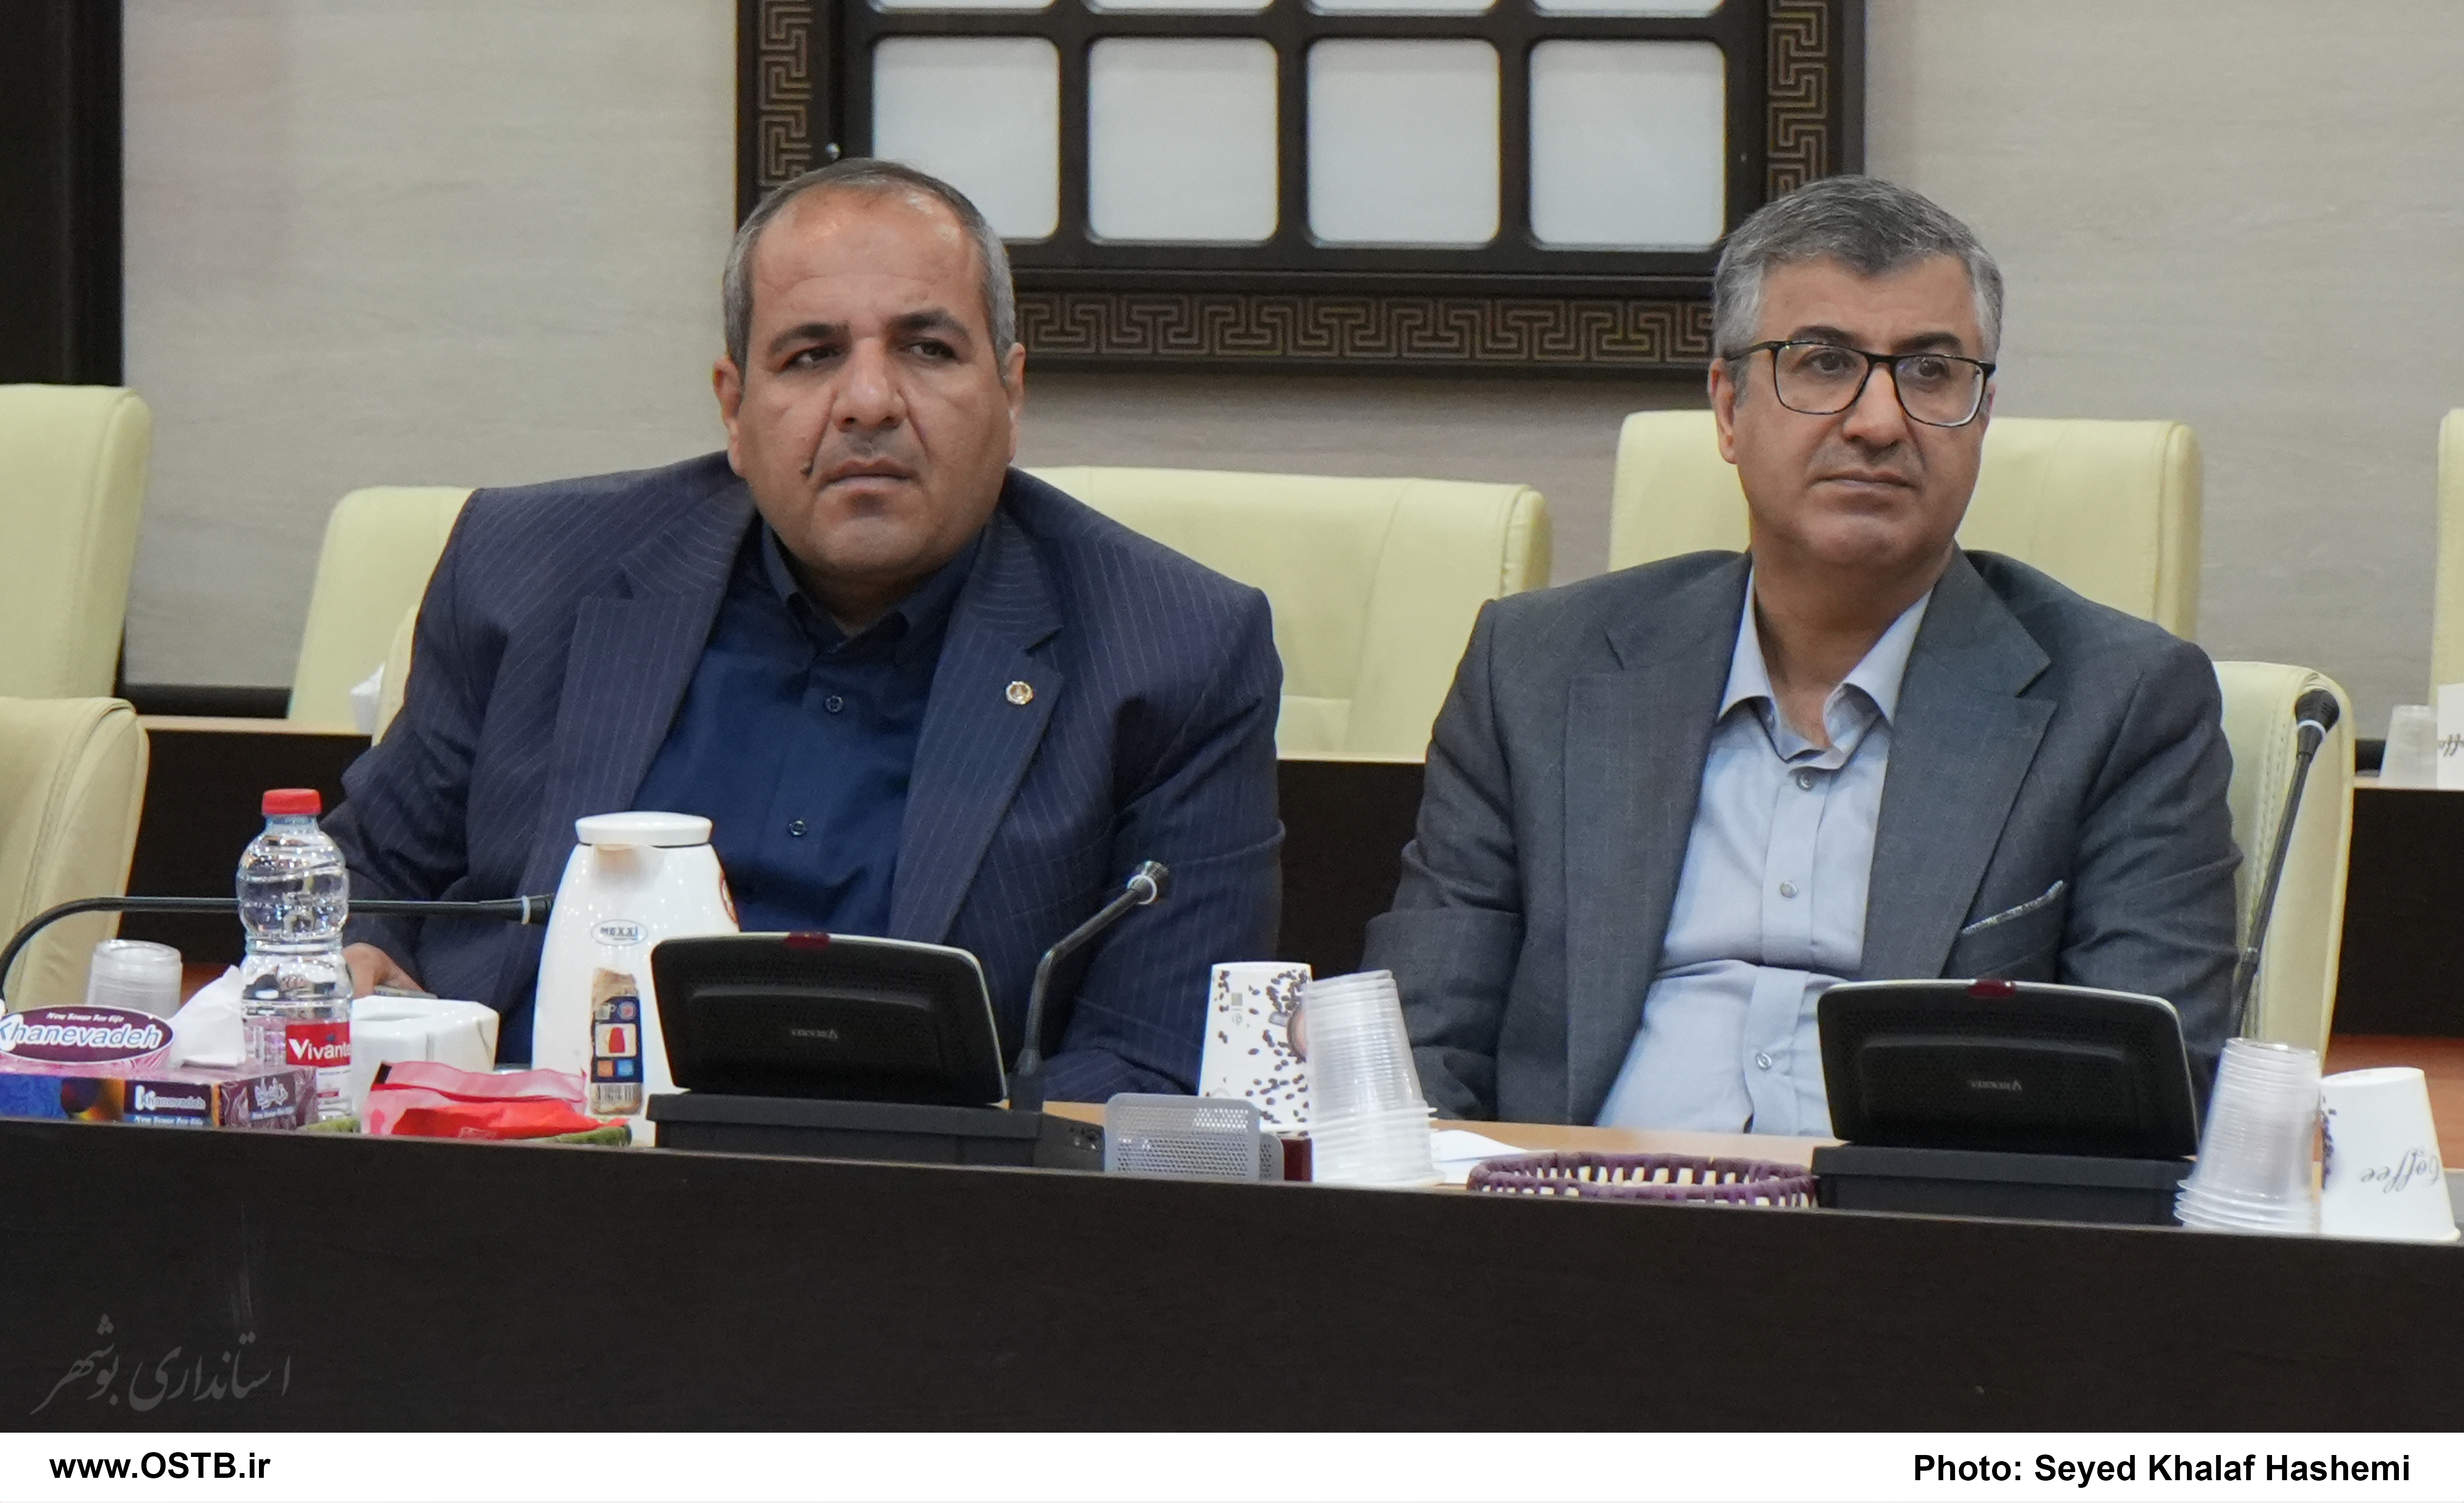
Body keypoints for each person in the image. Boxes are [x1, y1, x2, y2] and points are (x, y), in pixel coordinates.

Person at [327, 159, 1282, 1097]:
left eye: (927, 349)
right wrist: (355, 956)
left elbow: (1151, 1063)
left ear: (1012, 392)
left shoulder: (1177, 652)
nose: (868, 403)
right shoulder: (526, 572)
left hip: (935, 1187)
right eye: (812, 356)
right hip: (534, 1162)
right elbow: (362, 879)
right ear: (735, 409)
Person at [1362, 175, 2237, 1133]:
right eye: (1822, 363)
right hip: (1571, 1207)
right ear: (1727, 409)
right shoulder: (1535, 672)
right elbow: (1415, 1053)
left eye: (1931, 372)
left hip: (1908, 1221)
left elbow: (2143, 1103)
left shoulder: (2123, 704)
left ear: (1983, 416)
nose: (1879, 421)